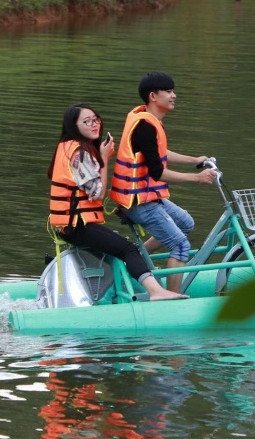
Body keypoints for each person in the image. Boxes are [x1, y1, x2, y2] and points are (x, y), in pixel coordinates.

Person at [48, 104, 187, 301]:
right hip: (76, 225)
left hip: (72, 224)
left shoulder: (68, 146)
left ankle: (118, 288)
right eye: (87, 121)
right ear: (74, 126)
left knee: (117, 249)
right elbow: (97, 193)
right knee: (127, 249)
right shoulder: (79, 153)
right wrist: (104, 160)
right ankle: (156, 291)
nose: (94, 124)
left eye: (96, 119)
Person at [109, 73, 216, 293]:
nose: (174, 95)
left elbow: (157, 153)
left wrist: (194, 160)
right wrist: (196, 178)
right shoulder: (146, 126)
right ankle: (172, 297)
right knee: (180, 245)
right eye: (168, 91)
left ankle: (136, 255)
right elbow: (157, 172)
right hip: (139, 201)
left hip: (148, 197)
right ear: (153, 96)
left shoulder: (148, 121)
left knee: (186, 224)